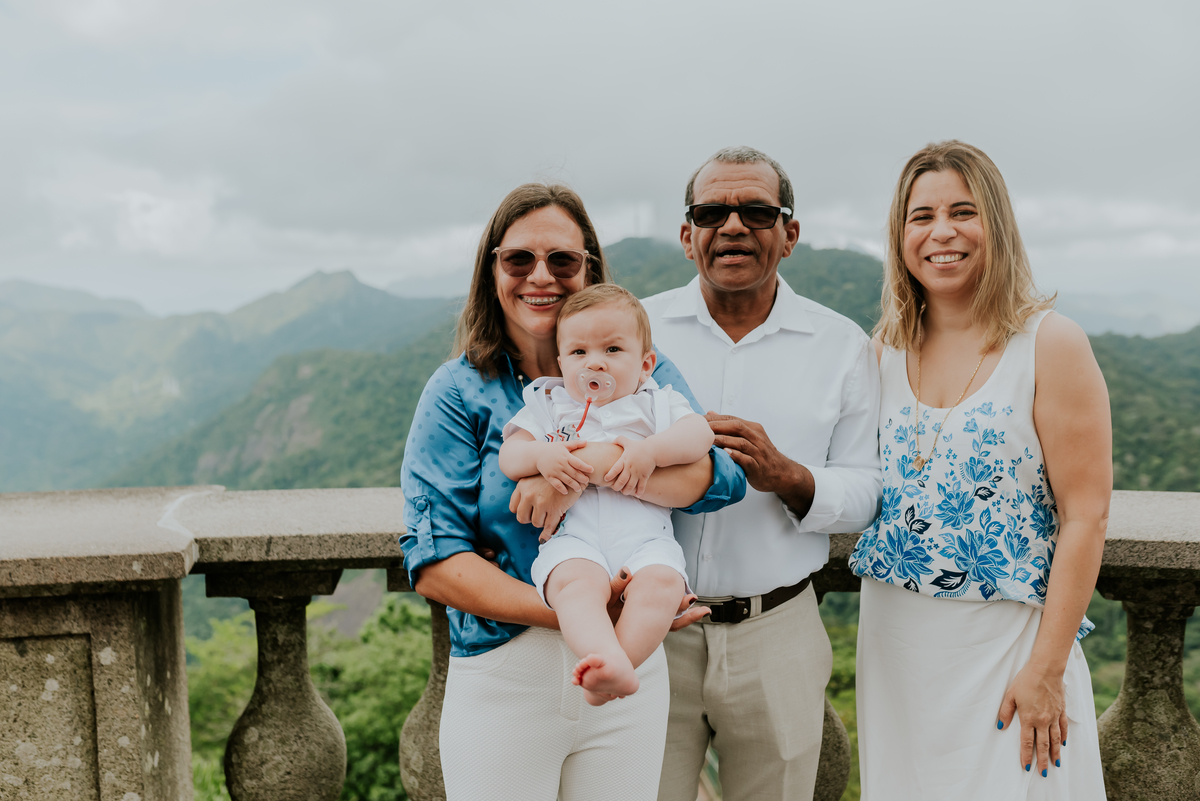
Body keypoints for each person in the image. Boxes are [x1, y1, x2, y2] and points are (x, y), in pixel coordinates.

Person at [400, 183, 746, 801]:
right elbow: (434, 561)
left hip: (631, 668)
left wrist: (578, 468)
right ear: (492, 268)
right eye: (519, 259)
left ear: (587, 264)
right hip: (508, 669)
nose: (541, 276)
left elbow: (715, 479)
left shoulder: (642, 368)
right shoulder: (459, 391)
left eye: (562, 259)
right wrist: (579, 612)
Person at [848, 140, 1110, 799]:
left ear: (997, 224)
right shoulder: (883, 349)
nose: (941, 232)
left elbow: (1086, 515)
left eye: (963, 211)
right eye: (921, 215)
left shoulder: (1050, 344)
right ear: (900, 233)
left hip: (1009, 651)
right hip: (898, 649)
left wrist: (1046, 669)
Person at [641, 146, 883, 800]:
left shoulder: (841, 346)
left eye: (756, 210)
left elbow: (867, 488)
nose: (734, 225)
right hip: (648, 628)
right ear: (687, 235)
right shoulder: (637, 331)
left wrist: (789, 476)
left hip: (778, 629)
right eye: (712, 211)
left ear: (790, 233)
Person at [500, 283, 714, 706]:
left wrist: (652, 451)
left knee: (661, 586)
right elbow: (511, 455)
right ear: (561, 362)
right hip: (575, 540)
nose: (594, 363)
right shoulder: (550, 404)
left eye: (612, 350)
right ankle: (603, 658)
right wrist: (541, 456)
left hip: (646, 540)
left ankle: (619, 667)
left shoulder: (656, 402)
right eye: (579, 353)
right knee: (574, 588)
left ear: (646, 363)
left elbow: (700, 435)